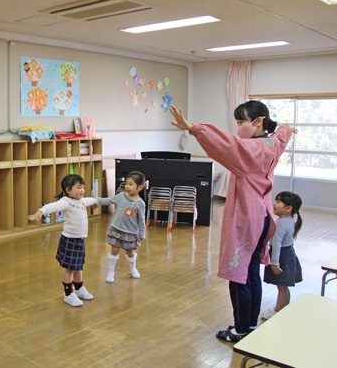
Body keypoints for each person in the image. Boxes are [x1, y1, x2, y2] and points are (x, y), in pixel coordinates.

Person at [169, 101, 296, 342]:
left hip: (247, 219)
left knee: (238, 275)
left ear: (258, 121)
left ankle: (240, 330)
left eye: (241, 121)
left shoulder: (251, 151)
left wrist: (193, 128)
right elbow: (282, 134)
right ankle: (249, 325)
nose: (237, 127)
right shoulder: (273, 144)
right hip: (263, 216)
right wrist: (287, 128)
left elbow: (225, 143)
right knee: (251, 274)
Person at [28, 174, 98, 307]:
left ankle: (79, 289)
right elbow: (51, 206)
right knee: (70, 269)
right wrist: (40, 212)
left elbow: (91, 200)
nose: (82, 190)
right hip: (70, 240)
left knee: (79, 266)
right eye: (79, 188)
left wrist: (96, 202)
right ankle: (68, 294)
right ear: (68, 190)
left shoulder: (81, 201)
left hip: (79, 240)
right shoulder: (66, 202)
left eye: (83, 187)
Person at [96, 171, 146, 283]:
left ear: (140, 187)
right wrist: (96, 199)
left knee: (130, 252)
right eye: (126, 183)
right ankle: (110, 271)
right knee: (114, 249)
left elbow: (141, 221)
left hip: (130, 233)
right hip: (117, 230)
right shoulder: (121, 196)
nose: (127, 186)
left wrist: (142, 234)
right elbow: (107, 200)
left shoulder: (140, 204)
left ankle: (133, 268)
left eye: (131, 184)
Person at [261, 192, 303, 319]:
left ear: (288, 208)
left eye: (278, 202)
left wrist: (274, 262)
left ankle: (278, 311)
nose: (274, 204)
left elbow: (277, 244)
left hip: (282, 256)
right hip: (288, 254)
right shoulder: (289, 220)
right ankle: (284, 308)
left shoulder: (281, 223)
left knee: (282, 288)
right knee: (284, 287)